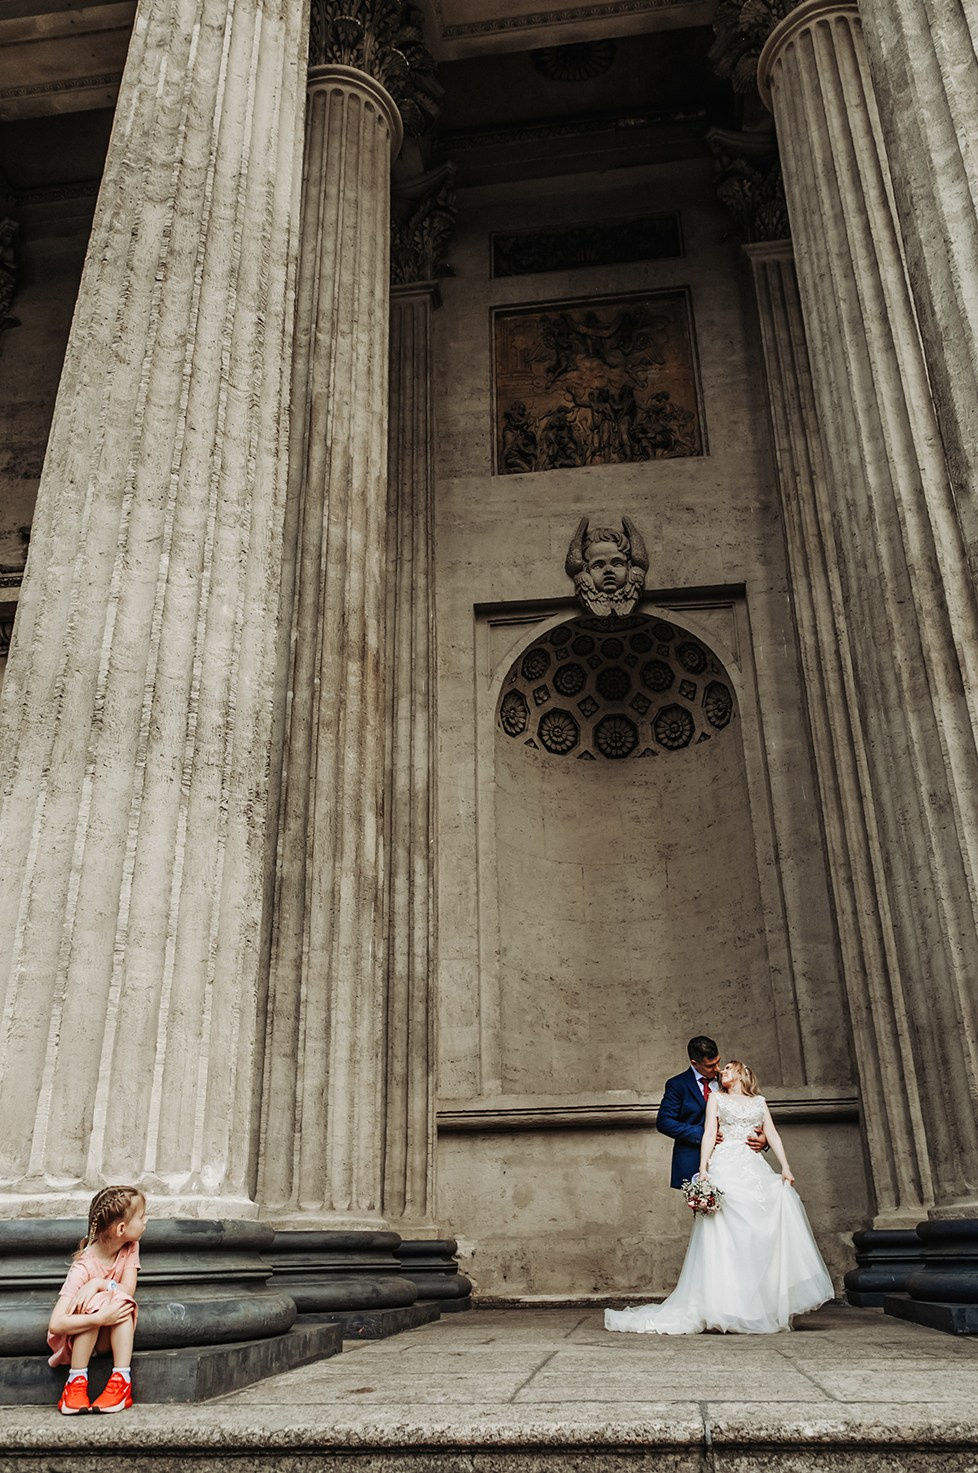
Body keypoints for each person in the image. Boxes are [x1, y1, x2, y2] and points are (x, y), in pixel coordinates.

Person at [606, 1061, 833, 1334]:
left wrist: (785, 1166)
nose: (721, 1072)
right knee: (724, 1232)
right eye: (718, 1067)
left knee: (758, 1229)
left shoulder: (759, 1101)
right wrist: (703, 1168)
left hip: (752, 1165)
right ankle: (724, 1305)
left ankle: (761, 1304)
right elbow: (710, 1133)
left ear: (739, 1073)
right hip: (725, 1164)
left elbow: (771, 1133)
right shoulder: (715, 1098)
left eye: (726, 1068)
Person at [47, 1185, 147, 1413]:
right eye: (141, 1217)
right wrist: (100, 1318)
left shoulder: (130, 1246)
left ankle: (121, 1380)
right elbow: (56, 1323)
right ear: (122, 1228)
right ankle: (76, 1382)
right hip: (80, 1340)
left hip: (110, 1332)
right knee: (97, 1303)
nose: (146, 1222)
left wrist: (99, 1284)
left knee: (120, 1299)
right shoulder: (83, 1267)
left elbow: (128, 1289)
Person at [656, 1035, 766, 1189]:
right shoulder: (677, 1085)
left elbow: (750, 1109)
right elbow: (664, 1122)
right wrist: (703, 1133)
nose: (717, 1069)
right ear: (694, 1063)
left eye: (718, 1062)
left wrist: (763, 1139)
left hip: (735, 1162)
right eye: (710, 1066)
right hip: (695, 1158)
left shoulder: (728, 1080)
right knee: (707, 1211)